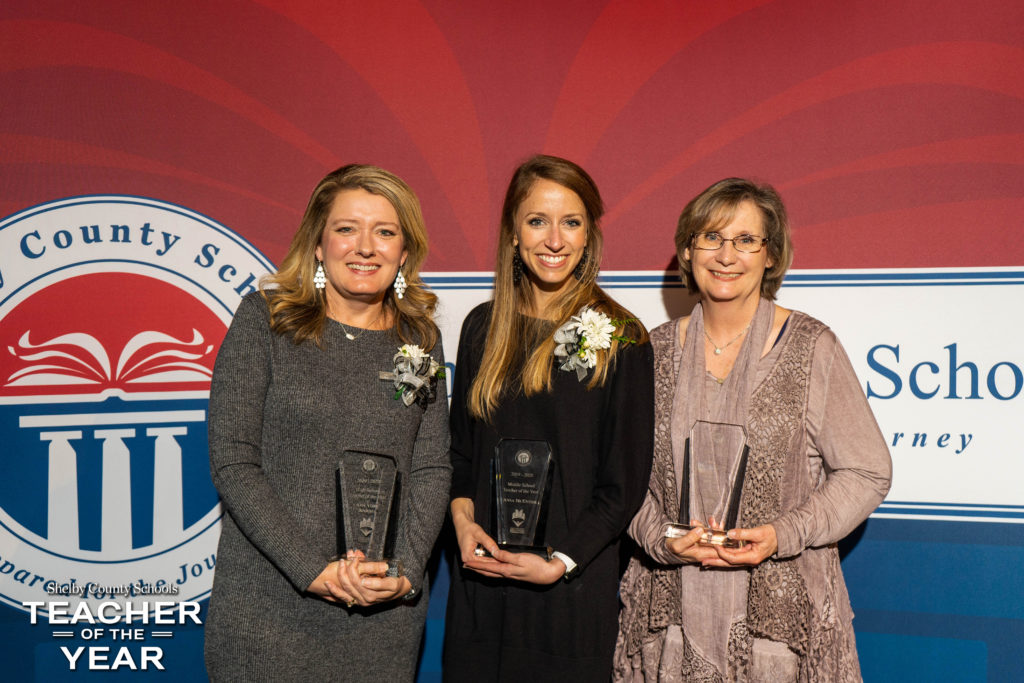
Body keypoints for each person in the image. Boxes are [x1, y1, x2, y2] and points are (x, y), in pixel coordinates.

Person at [614, 178, 892, 681]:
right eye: (711, 238)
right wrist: (659, 538)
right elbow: (619, 478)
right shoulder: (648, 354)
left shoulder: (812, 347)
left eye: (746, 240)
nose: (726, 255)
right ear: (687, 250)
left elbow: (866, 471)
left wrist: (782, 533)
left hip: (779, 626)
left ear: (771, 256)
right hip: (671, 616)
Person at [205, 164, 451, 681]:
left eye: (385, 232)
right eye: (346, 229)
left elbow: (431, 467)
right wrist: (313, 570)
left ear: (404, 253)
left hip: (383, 619)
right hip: (269, 611)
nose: (365, 247)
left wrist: (403, 575)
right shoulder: (265, 319)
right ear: (318, 243)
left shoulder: (421, 339)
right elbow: (234, 461)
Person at [442, 154, 655, 681]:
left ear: (589, 236)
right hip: (483, 589)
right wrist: (464, 523)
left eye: (572, 222)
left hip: (569, 594)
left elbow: (622, 486)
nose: (554, 240)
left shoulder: (623, 337)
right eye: (537, 221)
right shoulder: (481, 327)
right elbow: (461, 453)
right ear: (513, 233)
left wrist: (560, 561)